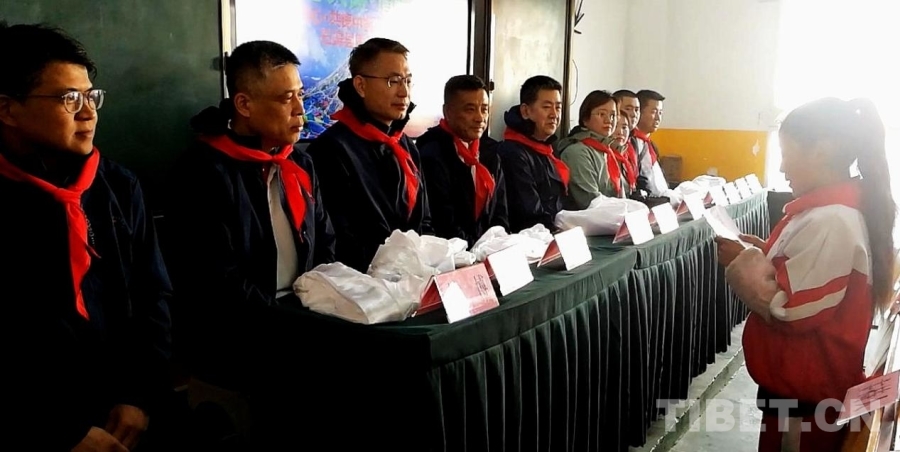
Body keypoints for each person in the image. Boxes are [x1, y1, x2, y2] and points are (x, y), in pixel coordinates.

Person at [0, 22, 172, 451]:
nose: (88, 112)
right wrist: (61, 428)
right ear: (8, 110)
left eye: (91, 96)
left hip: (120, 409)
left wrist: (138, 397)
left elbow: (152, 296)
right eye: (68, 98)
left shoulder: (118, 186)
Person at [166, 40, 335, 428]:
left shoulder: (300, 163)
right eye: (286, 98)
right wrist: (290, 326)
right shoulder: (203, 172)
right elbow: (215, 280)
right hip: (237, 349)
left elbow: (325, 243)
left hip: (303, 331)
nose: (300, 109)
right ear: (244, 104)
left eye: (301, 95)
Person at [716, 97, 895, 452]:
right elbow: (805, 272)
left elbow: (791, 308)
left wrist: (746, 262)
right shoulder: (826, 213)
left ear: (821, 151)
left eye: (787, 153)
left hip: (806, 401)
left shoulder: (832, 219)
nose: (782, 167)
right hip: (804, 390)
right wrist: (765, 254)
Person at [306, 37, 430, 273]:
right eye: (393, 81)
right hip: (363, 280)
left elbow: (424, 220)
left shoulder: (405, 145)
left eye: (408, 81)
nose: (404, 92)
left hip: (413, 275)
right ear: (361, 85)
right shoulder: (330, 150)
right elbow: (341, 239)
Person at [416, 75, 508, 246]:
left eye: (484, 109)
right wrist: (475, 250)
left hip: (488, 251)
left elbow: (501, 214)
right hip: (452, 252)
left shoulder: (491, 152)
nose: (480, 118)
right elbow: (443, 223)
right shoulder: (431, 154)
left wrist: (497, 245)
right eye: (470, 110)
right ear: (448, 113)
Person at [496, 75, 568, 232]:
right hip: (531, 237)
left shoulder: (547, 148)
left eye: (558, 107)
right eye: (546, 107)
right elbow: (529, 215)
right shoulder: (512, 153)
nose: (554, 114)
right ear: (526, 111)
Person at [556, 90, 634, 210]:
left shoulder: (608, 151)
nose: (609, 120)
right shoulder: (577, 152)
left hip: (613, 215)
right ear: (585, 119)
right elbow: (590, 202)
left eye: (613, 115)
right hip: (590, 218)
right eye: (602, 114)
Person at [634, 89, 669, 196]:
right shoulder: (631, 144)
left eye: (660, 113)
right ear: (639, 112)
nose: (658, 118)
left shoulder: (650, 145)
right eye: (654, 112)